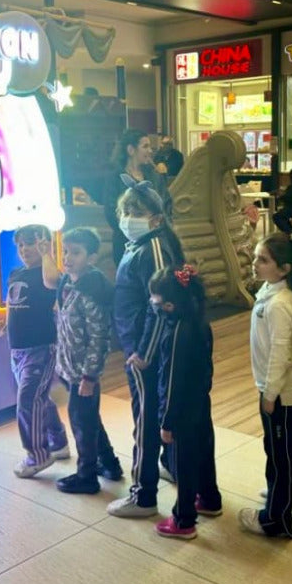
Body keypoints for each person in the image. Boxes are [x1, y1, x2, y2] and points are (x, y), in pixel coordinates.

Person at [107, 175, 186, 518]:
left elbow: (160, 305)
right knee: (152, 412)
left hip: (143, 352)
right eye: (124, 209)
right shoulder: (141, 245)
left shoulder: (152, 247)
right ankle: (170, 465)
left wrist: (144, 353)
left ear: (155, 217)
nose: (127, 217)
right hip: (137, 346)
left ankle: (143, 495)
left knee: (145, 418)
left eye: (135, 210)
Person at [237, 232, 292, 540]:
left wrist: (269, 394)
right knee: (289, 440)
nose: (255, 263)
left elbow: (280, 352)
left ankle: (276, 518)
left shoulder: (281, 303)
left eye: (263, 260)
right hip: (277, 387)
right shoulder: (272, 291)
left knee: (278, 451)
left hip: (278, 390)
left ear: (284, 269)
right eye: (255, 256)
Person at [41, 227, 124, 494]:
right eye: (66, 251)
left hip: (83, 373)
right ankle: (109, 464)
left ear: (92, 257)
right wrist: (47, 255)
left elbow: (100, 338)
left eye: (76, 253)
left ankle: (87, 475)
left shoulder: (92, 290)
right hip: (69, 367)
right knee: (89, 418)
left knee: (81, 423)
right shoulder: (68, 282)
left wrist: (89, 377)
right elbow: (50, 280)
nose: (68, 257)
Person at [150, 263, 223, 540]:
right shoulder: (200, 321)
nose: (152, 303)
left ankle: (183, 520)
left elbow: (170, 380)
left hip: (180, 410)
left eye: (155, 298)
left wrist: (166, 421)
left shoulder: (177, 331)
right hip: (200, 401)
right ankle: (209, 498)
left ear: (169, 305)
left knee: (184, 461)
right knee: (203, 452)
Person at [5, 225, 70, 479]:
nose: (23, 249)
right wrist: (7, 323)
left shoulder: (46, 273)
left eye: (29, 244)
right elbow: (12, 302)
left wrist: (47, 254)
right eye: (20, 245)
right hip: (17, 349)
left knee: (27, 402)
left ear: (42, 245)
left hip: (41, 347)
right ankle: (59, 442)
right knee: (39, 398)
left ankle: (38, 455)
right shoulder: (15, 273)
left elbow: (53, 281)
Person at [103, 129, 173, 266]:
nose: (151, 151)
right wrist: (133, 229)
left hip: (154, 242)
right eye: (145, 146)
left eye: (150, 147)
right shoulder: (115, 177)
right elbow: (111, 212)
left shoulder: (154, 176)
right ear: (131, 150)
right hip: (124, 243)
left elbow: (166, 205)